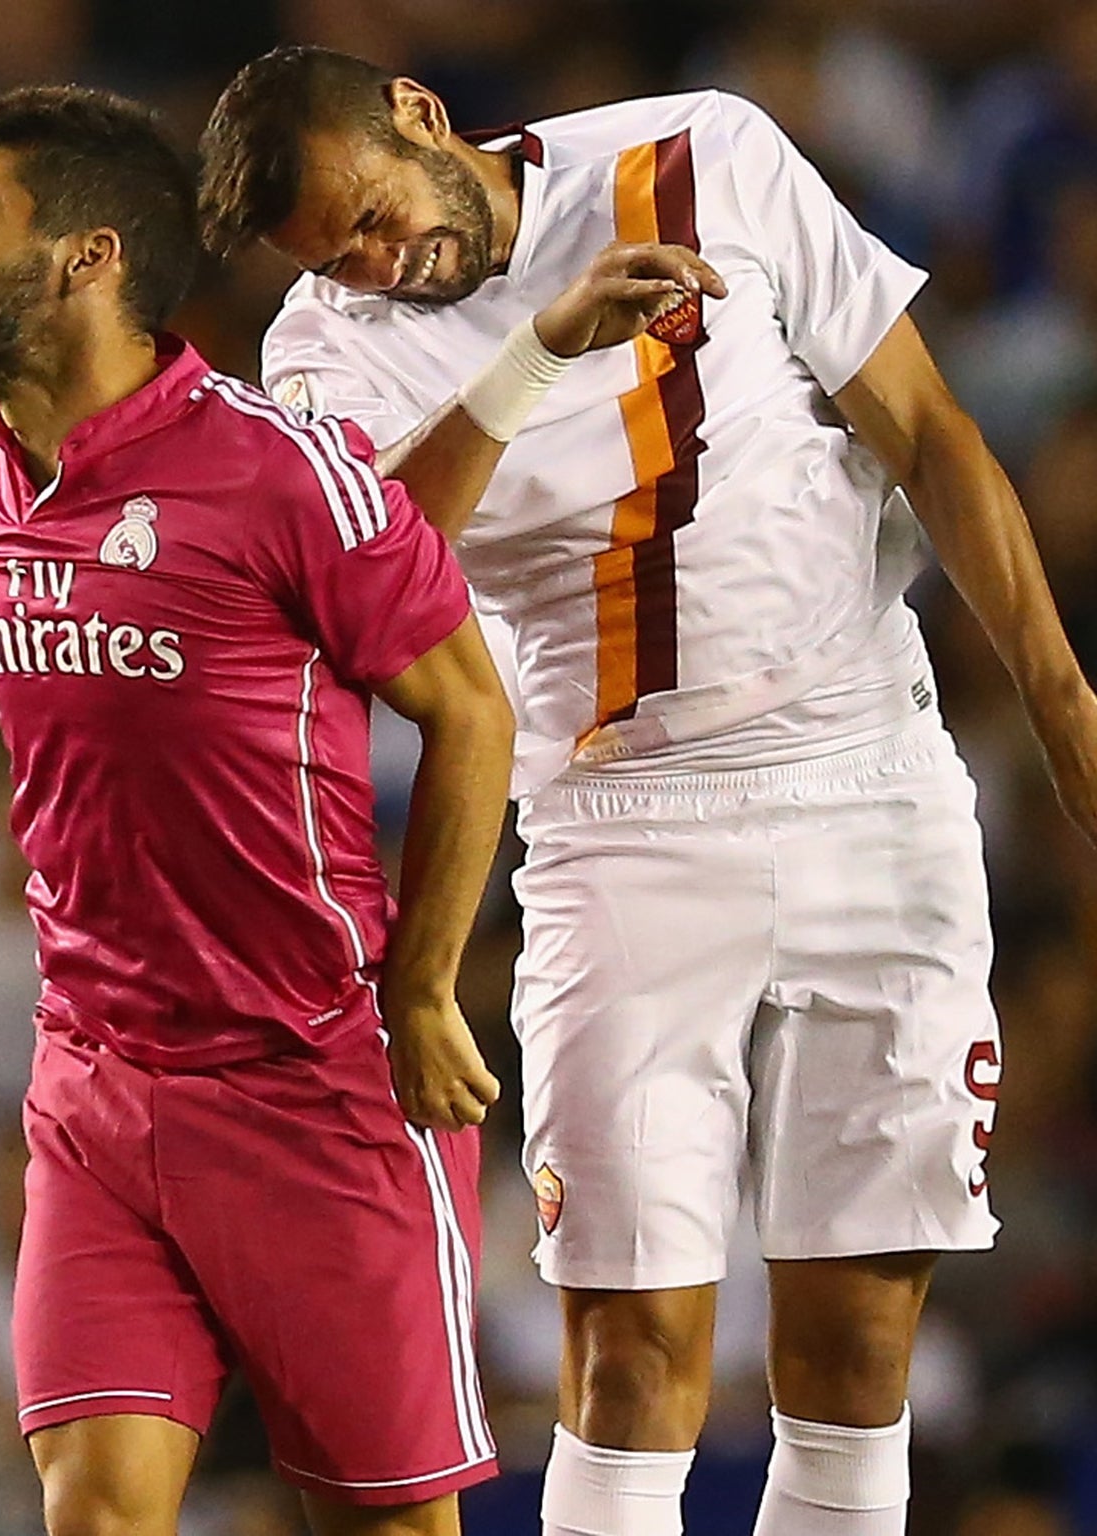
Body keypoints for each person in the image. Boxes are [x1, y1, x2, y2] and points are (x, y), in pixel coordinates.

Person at [0, 84, 708, 1536]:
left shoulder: (276, 470)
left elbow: (467, 709)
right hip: (93, 1081)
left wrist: (425, 992)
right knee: (95, 1513)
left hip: (311, 1087)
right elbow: (43, 567)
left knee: (381, 1523)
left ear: (85, 257)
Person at [198, 44, 1097, 1536]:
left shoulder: (707, 151)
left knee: (859, 1349)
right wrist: (534, 354)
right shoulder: (320, 346)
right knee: (632, 1358)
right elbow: (370, 583)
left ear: (423, 116)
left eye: (368, 217)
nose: (372, 262)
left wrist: (1065, 707)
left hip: (866, 769)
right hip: (619, 825)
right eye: (332, 253)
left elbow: (930, 432)